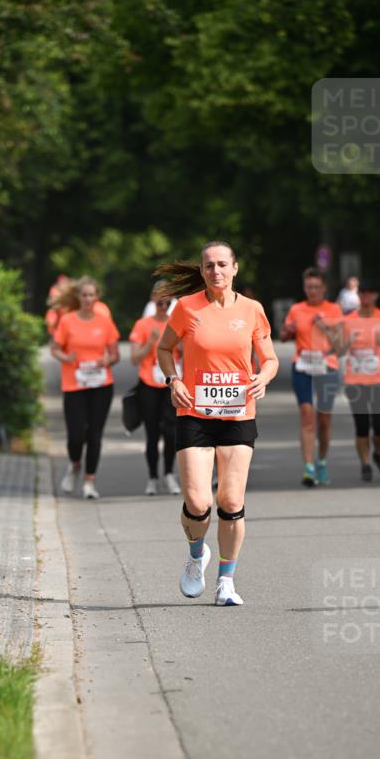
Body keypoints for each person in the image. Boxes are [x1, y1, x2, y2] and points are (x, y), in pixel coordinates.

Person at [156, 241, 279, 606]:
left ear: (235, 268)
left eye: (222, 265)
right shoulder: (187, 308)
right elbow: (164, 349)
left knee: (230, 499)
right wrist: (173, 380)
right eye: (209, 266)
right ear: (202, 270)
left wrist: (263, 377)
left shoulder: (252, 310)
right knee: (197, 501)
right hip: (195, 412)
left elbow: (270, 358)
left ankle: (226, 580)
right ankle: (197, 556)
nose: (216, 272)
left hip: (238, 414)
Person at [51, 277, 120, 499]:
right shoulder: (67, 321)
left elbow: (115, 354)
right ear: (78, 298)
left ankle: (89, 481)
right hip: (74, 384)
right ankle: (74, 464)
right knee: (76, 435)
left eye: (92, 295)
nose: (88, 299)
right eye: (84, 295)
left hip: (101, 384)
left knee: (95, 434)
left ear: (97, 297)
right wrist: (67, 357)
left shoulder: (104, 322)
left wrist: (106, 361)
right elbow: (55, 349)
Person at [280, 268, 344, 486]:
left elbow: (341, 346)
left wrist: (326, 326)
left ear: (324, 288)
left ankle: (322, 462)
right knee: (307, 416)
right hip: (303, 366)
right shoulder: (297, 309)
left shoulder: (334, 309)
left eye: (317, 287)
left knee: (324, 420)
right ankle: (308, 467)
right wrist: (287, 331)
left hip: (327, 366)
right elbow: (283, 335)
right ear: (304, 287)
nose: (313, 291)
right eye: (309, 287)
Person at [339, 280, 380, 481]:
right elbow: (338, 350)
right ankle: (365, 464)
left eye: (370, 293)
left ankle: (378, 452)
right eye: (363, 293)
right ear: (359, 296)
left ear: (376, 296)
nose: (366, 297)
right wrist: (347, 341)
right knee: (362, 426)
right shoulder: (349, 320)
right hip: (356, 381)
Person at [129, 280, 182, 496]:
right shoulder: (142, 325)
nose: (163, 306)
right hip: (148, 384)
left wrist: (181, 345)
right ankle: (152, 477)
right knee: (152, 433)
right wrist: (151, 343)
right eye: (160, 302)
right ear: (153, 300)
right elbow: (134, 358)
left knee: (171, 432)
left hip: (171, 384)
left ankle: (169, 474)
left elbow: (188, 353)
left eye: (167, 302)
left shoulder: (178, 323)